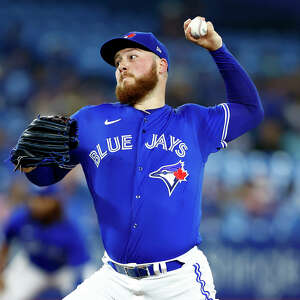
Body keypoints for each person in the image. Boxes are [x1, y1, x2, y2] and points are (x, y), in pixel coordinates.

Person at [17, 17, 264, 299]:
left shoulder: (193, 123)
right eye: (119, 61)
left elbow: (249, 109)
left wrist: (216, 48)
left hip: (178, 282)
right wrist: (32, 163)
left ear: (161, 66)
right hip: (113, 281)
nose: (122, 65)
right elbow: (44, 177)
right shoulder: (89, 121)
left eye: (133, 56)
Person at [0, 185, 90, 300]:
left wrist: (78, 289)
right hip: (33, 266)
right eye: (35, 197)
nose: (38, 203)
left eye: (44, 198)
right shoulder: (20, 218)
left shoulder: (69, 228)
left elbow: (79, 268)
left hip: (63, 270)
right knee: (5, 296)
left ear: (55, 201)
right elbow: (5, 244)